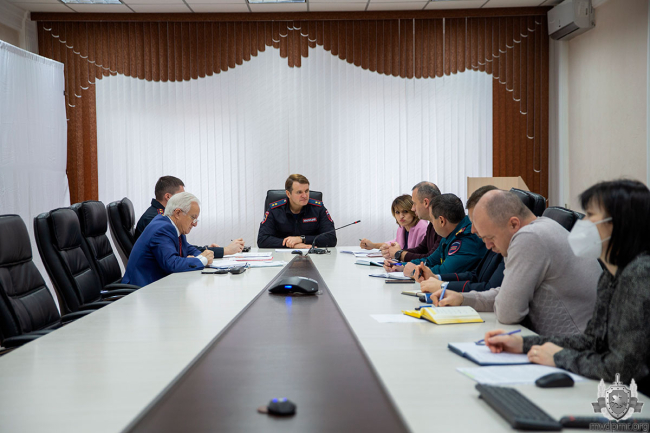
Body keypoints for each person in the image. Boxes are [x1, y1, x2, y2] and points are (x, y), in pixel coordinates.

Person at [482, 180, 650, 395]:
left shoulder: (640, 274)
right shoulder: (611, 274)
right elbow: (592, 341)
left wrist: (558, 357)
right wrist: (523, 343)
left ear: (619, 223)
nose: (583, 223)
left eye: (591, 215)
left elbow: (622, 368)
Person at [428, 190, 601, 336]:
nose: (487, 246)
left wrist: (499, 300)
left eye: (490, 238)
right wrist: (462, 298)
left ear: (513, 224)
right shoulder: (539, 229)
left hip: (579, 350)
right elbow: (506, 292)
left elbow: (507, 312)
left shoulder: (529, 237)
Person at [420, 185, 504, 294]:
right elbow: (475, 275)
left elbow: (489, 289)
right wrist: (437, 277)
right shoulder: (494, 242)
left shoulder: (470, 238)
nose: (473, 230)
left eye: (477, 222)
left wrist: (443, 286)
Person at [135, 176, 244, 257]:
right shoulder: (156, 220)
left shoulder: (168, 218)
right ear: (168, 197)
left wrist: (209, 252)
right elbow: (172, 258)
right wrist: (224, 251)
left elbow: (184, 248)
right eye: (181, 195)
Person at [384, 193, 486, 279]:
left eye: (432, 220)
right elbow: (430, 261)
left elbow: (445, 271)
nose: (431, 224)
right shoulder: (449, 234)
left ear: (441, 221)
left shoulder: (467, 238)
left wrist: (414, 271)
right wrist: (400, 265)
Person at [122, 192, 214, 287]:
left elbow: (188, 249)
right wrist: (202, 260)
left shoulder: (175, 227)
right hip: (142, 289)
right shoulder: (162, 229)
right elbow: (172, 264)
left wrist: (205, 256)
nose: (195, 224)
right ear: (177, 213)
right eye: (193, 218)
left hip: (157, 285)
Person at [257, 174, 337, 249]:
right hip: (282, 255)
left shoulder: (318, 208)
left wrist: (302, 239)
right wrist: (292, 245)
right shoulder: (275, 210)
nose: (304, 196)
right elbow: (262, 239)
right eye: (299, 192)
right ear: (288, 194)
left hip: (312, 254)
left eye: (306, 191)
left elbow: (331, 238)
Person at [380, 182, 442, 262]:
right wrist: (396, 252)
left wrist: (399, 254)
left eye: (414, 204)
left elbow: (430, 259)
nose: (412, 208)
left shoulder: (441, 226)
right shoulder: (431, 225)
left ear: (426, 203)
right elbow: (421, 249)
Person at [359, 194, 428, 251]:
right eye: (397, 212)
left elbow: (421, 255)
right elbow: (392, 243)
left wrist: (397, 254)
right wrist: (373, 245)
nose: (401, 216)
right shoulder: (402, 228)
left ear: (413, 210)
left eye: (405, 211)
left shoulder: (422, 227)